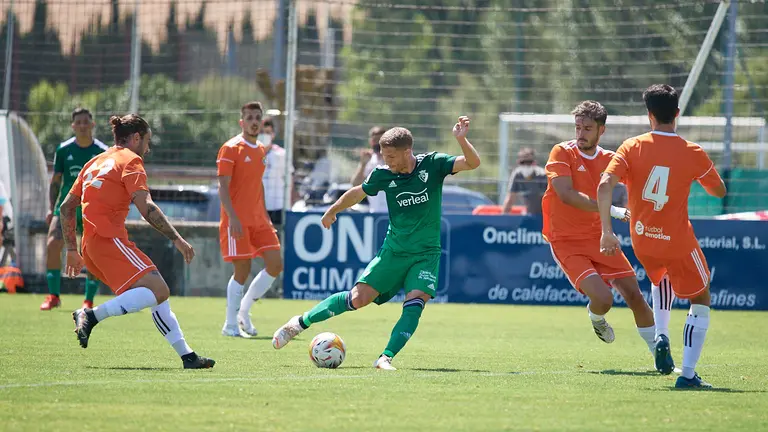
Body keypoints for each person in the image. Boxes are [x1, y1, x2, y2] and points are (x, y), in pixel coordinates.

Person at [272, 117, 481, 370]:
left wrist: (461, 139)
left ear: (407, 152)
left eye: (391, 156)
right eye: (384, 156)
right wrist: (333, 210)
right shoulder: (383, 174)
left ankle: (385, 357)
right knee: (357, 299)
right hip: (393, 252)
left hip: (426, 254)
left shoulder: (433, 165)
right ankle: (298, 323)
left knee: (415, 303)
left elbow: (472, 162)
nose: (386, 161)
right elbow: (359, 191)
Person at [597, 84, 727, 389]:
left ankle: (661, 334)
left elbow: (604, 185)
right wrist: (698, 175)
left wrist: (606, 231)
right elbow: (719, 190)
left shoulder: (631, 146)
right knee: (701, 297)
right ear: (677, 114)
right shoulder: (692, 151)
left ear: (649, 115)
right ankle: (688, 374)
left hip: (642, 239)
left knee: (661, 277)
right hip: (677, 240)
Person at [62, 114, 214, 369]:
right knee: (160, 289)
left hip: (90, 245)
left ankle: (187, 356)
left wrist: (70, 249)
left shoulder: (95, 162)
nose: (148, 147)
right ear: (135, 138)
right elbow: (146, 207)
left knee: (157, 295)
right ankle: (90, 315)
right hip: (109, 239)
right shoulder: (131, 160)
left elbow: (67, 208)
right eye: (147, 141)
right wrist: (177, 239)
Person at [541, 100, 659, 363]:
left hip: (599, 238)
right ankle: (596, 317)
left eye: (587, 128)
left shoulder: (609, 159)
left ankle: (660, 356)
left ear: (601, 131)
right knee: (604, 299)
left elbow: (640, 185)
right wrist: (614, 211)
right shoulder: (562, 152)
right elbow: (566, 195)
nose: (580, 133)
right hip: (566, 240)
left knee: (635, 296)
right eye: (578, 127)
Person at [217, 102, 284, 337]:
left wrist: (265, 215)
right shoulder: (230, 148)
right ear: (241, 121)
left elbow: (258, 186)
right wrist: (232, 217)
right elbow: (223, 187)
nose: (254, 121)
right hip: (238, 220)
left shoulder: (260, 150)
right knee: (242, 270)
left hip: (259, 220)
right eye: (249, 117)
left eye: (257, 117)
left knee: (275, 263)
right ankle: (230, 325)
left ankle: (243, 312)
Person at [40, 108, 108, 311]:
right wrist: (51, 209)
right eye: (78, 122)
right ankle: (53, 296)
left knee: (93, 253)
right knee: (52, 244)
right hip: (67, 207)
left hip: (91, 210)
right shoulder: (63, 150)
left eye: (86, 122)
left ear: (92, 124)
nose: (82, 126)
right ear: (73, 126)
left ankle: (88, 300)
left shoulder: (103, 152)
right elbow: (56, 181)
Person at [259, 116, 295, 226]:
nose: (264, 135)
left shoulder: (281, 154)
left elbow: (290, 178)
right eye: (261, 132)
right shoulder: (250, 155)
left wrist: (290, 202)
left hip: (278, 206)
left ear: (273, 134)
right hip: (258, 207)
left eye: (268, 132)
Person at [350, 126, 387, 213]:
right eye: (375, 140)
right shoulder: (369, 160)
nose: (377, 143)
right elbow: (355, 184)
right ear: (371, 142)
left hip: (395, 212)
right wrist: (363, 164)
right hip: (374, 212)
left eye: (380, 140)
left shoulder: (394, 158)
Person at [501, 147, 548, 215]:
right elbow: (510, 198)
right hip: (528, 213)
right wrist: (503, 217)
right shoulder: (517, 175)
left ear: (534, 162)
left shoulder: (542, 175)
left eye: (529, 162)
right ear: (518, 162)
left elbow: (549, 200)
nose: (526, 165)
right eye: (523, 162)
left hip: (544, 214)